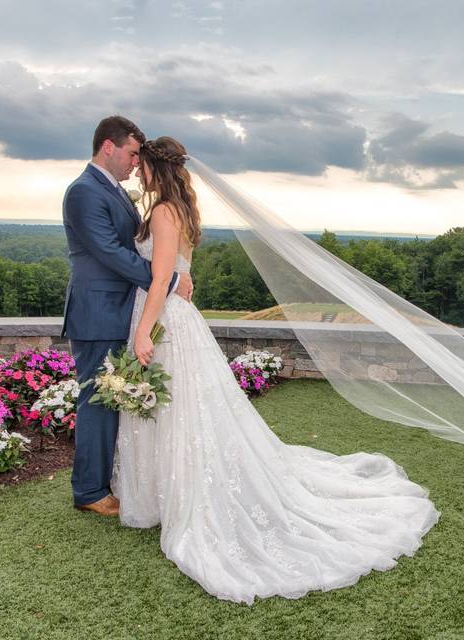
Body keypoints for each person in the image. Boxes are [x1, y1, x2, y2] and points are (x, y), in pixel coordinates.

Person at [111, 136, 440, 605]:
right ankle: (166, 492)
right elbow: (180, 272)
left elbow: (163, 277)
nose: (137, 169)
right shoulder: (180, 207)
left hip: (163, 318)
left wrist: (144, 332)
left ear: (154, 167)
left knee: (177, 406)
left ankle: (177, 497)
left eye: (141, 163)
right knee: (180, 407)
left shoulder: (163, 211)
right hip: (177, 318)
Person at [61, 117, 193, 517]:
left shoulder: (116, 191)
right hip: (97, 312)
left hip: (124, 310)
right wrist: (168, 279)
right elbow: (110, 253)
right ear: (108, 147)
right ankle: (89, 491)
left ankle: (112, 480)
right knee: (98, 400)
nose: (137, 162)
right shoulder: (84, 191)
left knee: (115, 397)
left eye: (141, 156)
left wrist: (171, 272)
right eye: (132, 153)